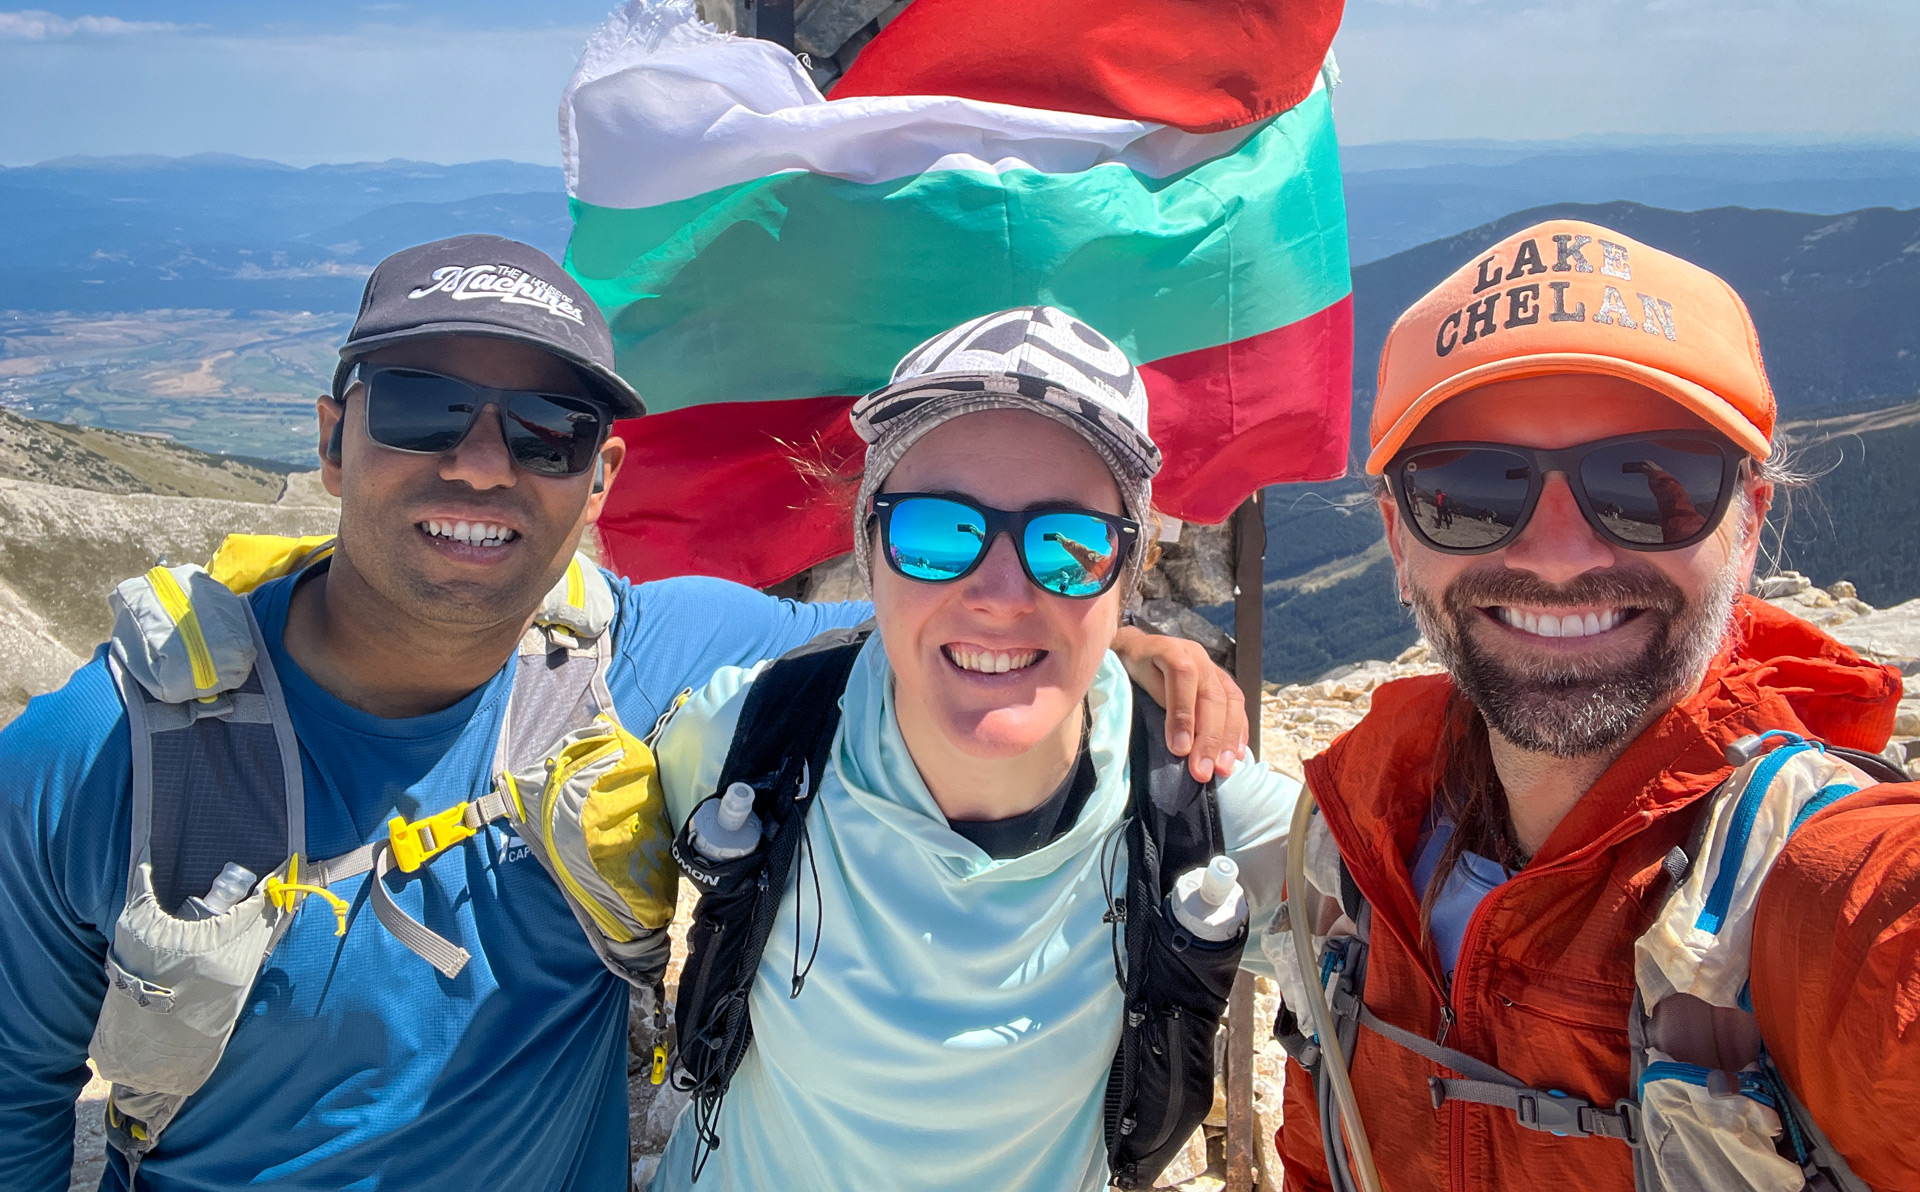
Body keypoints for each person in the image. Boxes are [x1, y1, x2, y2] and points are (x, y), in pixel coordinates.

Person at [0, 238, 1246, 1192]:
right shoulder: (96, 758)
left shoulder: (656, 657)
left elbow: (948, 639)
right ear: (334, 441)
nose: (483, 463)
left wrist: (1119, 637)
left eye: (548, 432)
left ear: (600, 481)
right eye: (426, 408)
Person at [1276, 221, 1920, 1192]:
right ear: (1400, 543)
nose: (1558, 553)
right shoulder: (1351, 840)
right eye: (1470, 488)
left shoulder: (1823, 897)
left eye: (1649, 484)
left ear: (1748, 528)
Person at [645, 306, 1304, 1192]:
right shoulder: (752, 739)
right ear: (868, 549)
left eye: (1067, 550)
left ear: (1129, 574)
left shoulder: (1199, 807)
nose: (999, 593)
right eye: (936, 532)